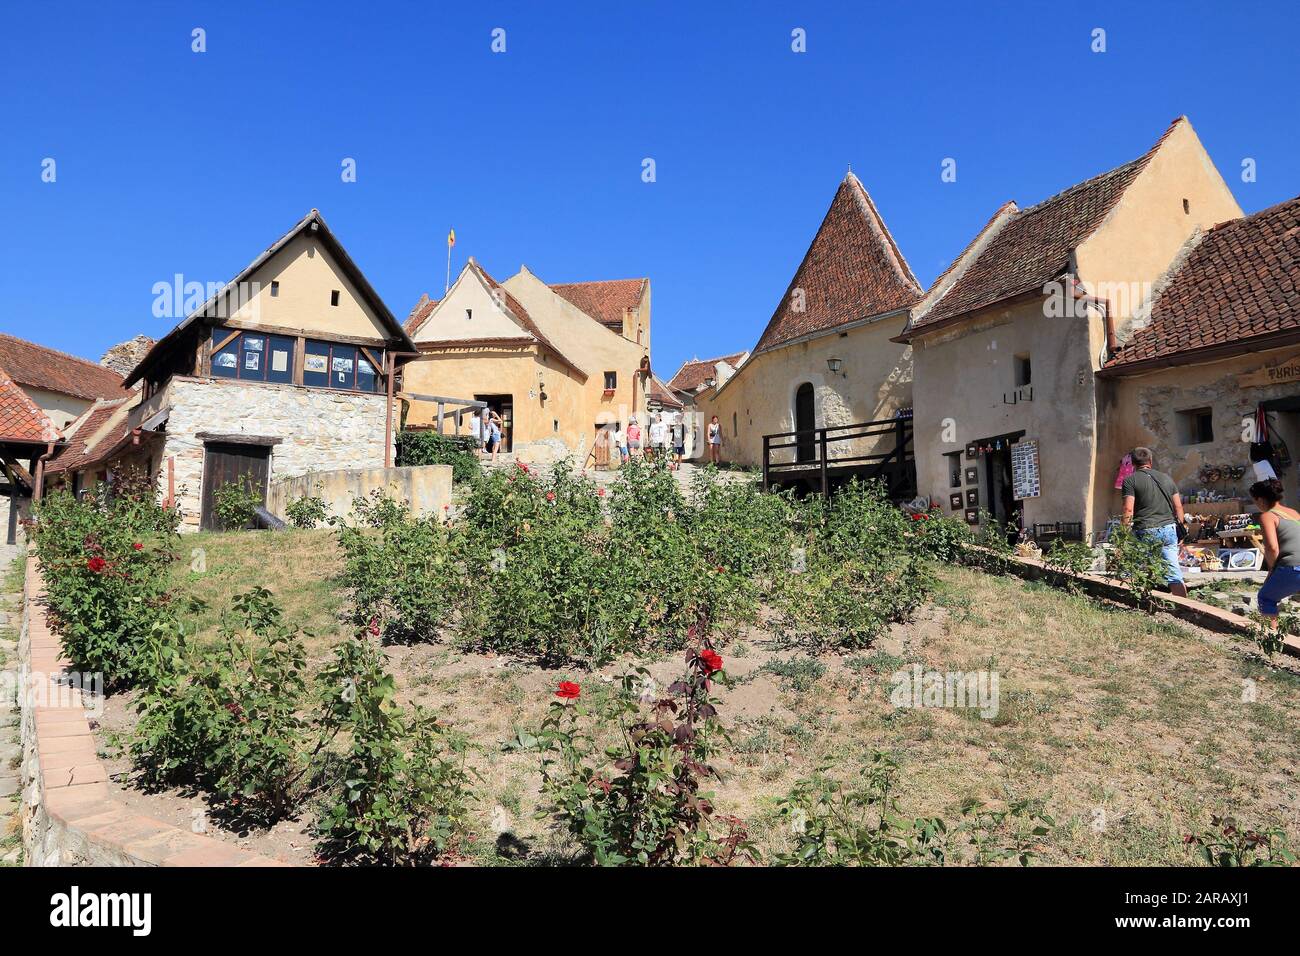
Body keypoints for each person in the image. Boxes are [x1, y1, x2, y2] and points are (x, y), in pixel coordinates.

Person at [1120, 446, 1187, 597]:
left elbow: (1128, 510)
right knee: (1174, 573)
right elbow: (1178, 507)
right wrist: (1180, 532)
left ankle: (1132, 600)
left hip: (1145, 530)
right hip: (1169, 529)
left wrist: (1123, 535)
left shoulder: (1130, 481)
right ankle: (1185, 608)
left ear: (1132, 463)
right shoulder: (1166, 478)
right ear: (1150, 461)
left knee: (1130, 568)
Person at [1252, 477, 1300, 625]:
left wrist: (1272, 570)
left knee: (1266, 598)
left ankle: (1273, 641)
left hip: (1293, 567)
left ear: (1260, 500)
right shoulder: (1294, 513)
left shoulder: (1268, 516)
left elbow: (1272, 548)